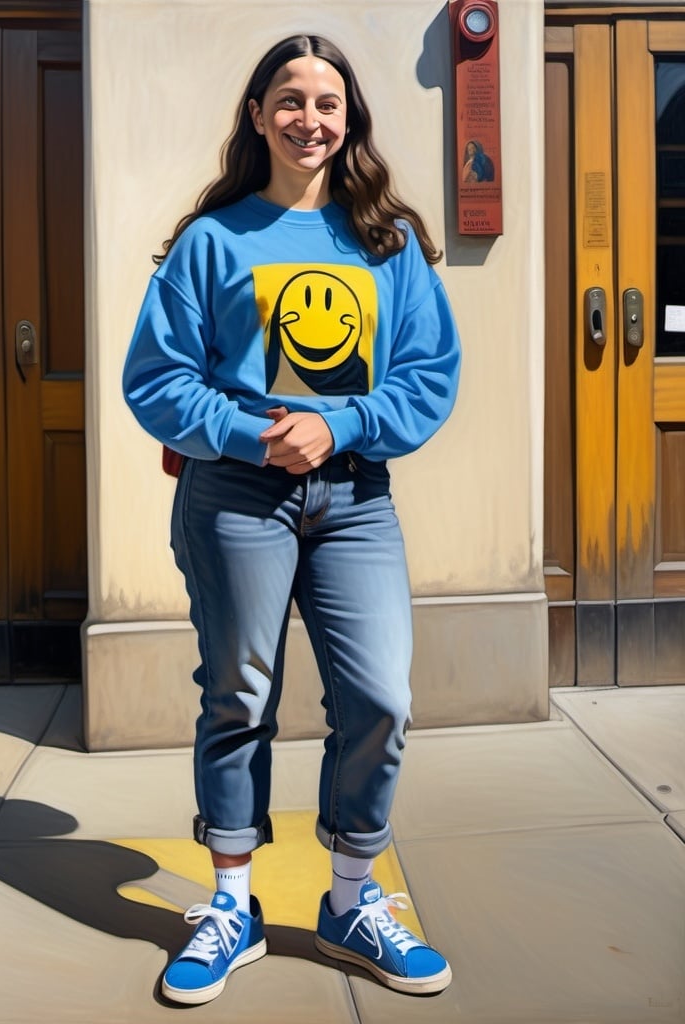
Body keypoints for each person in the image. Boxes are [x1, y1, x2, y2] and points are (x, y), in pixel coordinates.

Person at [123, 33, 461, 1006]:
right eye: (289, 99)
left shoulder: (385, 239)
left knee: (381, 697)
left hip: (354, 500)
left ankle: (349, 898)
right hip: (235, 497)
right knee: (238, 694)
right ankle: (230, 903)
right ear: (257, 114)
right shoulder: (213, 240)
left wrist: (340, 424)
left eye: (326, 101)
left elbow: (428, 376)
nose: (308, 118)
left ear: (348, 116)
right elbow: (155, 380)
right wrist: (245, 433)